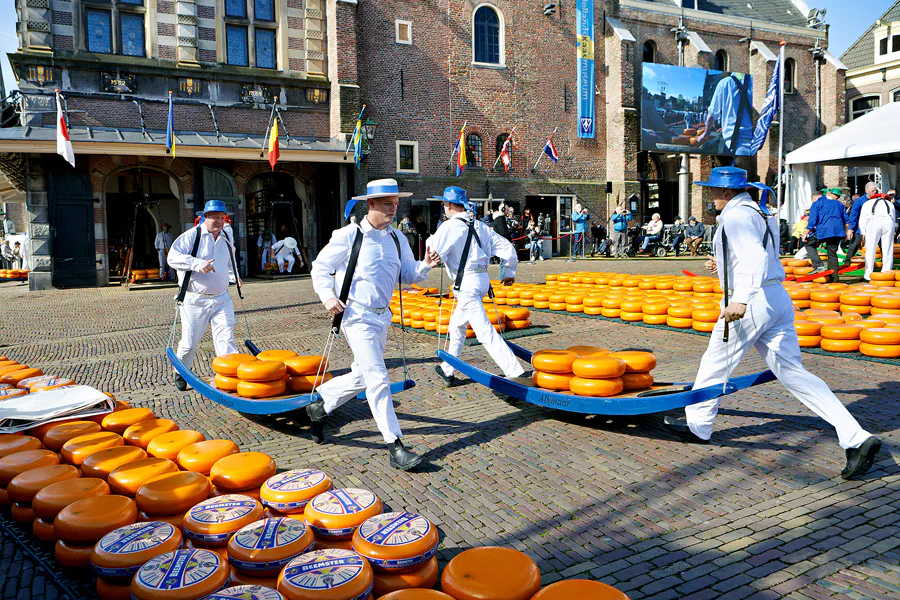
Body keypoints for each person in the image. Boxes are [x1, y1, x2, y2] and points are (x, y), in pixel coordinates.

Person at [662, 167, 881, 480]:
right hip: (776, 298)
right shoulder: (758, 211)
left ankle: (699, 425)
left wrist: (741, 298)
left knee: (715, 361)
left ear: (725, 192)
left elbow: (753, 257)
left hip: (753, 302)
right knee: (793, 373)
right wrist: (723, 264)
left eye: (712, 190)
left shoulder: (736, 216)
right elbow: (761, 254)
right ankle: (856, 437)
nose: (710, 196)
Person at [307, 179, 439, 471]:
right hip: (356, 316)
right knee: (378, 378)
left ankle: (320, 406)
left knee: (364, 374)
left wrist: (425, 266)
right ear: (371, 204)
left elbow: (407, 274)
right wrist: (328, 297)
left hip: (382, 316)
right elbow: (320, 268)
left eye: (395, 203)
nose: (394, 208)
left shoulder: (397, 239)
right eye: (387, 204)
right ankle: (395, 446)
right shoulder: (349, 235)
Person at [427, 186, 526, 387]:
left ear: (448, 205)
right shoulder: (480, 226)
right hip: (482, 281)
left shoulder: (449, 227)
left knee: (484, 332)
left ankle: (516, 373)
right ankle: (448, 369)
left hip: (467, 285)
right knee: (457, 325)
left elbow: (432, 252)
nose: (443, 207)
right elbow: (507, 247)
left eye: (444, 203)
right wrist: (508, 272)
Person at [167, 200, 242, 392]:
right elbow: (172, 258)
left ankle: (229, 375)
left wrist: (235, 276)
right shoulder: (192, 236)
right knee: (189, 342)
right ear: (204, 217)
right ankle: (181, 371)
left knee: (226, 338)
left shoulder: (225, 235)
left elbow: (229, 259)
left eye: (222, 217)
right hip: (195, 300)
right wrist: (197, 263)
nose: (219, 220)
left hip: (222, 298)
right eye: (215, 217)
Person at [803, 188, 851, 281]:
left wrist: (805, 233)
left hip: (823, 230)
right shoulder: (839, 204)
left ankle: (818, 265)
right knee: (832, 254)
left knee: (809, 245)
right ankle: (834, 279)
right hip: (837, 232)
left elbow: (812, 221)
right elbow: (846, 220)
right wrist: (845, 233)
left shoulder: (817, 204)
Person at [859, 192, 897, 280]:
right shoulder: (890, 204)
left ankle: (868, 274)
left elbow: (863, 219)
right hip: (888, 221)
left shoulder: (867, 203)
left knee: (870, 248)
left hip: (873, 221)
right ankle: (886, 272)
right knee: (887, 248)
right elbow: (893, 218)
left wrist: (863, 232)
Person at [844, 182, 878, 265]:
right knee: (855, 244)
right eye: (873, 191)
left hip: (874, 226)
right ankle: (847, 262)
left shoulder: (877, 200)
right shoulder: (859, 201)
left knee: (878, 244)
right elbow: (853, 216)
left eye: (876, 191)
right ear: (866, 191)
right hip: (860, 227)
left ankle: (882, 262)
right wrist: (850, 229)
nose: (875, 193)